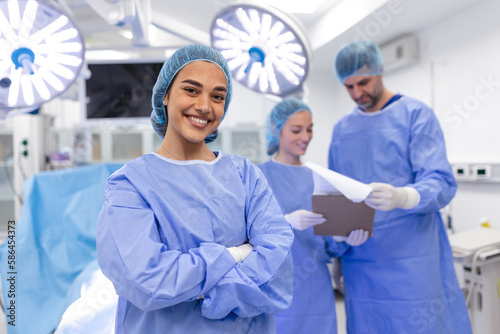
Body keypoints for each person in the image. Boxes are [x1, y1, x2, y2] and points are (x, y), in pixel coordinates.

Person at [96, 44, 294, 334]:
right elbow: (146, 281)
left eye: (217, 96)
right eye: (191, 90)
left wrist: (202, 290)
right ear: (164, 95)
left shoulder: (246, 175)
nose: (204, 106)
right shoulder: (130, 185)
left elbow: (277, 274)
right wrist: (234, 256)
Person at [328, 40, 472, 333]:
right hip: (362, 264)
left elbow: (441, 182)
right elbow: (337, 194)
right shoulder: (342, 129)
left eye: (364, 82)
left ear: (380, 70)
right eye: (349, 87)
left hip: (413, 260)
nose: (358, 93)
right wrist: (338, 253)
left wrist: (404, 196)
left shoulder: (415, 116)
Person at [258, 98, 368, 334]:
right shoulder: (258, 176)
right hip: (276, 286)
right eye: (296, 130)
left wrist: (340, 240)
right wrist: (285, 222)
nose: (306, 137)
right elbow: (245, 235)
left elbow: (327, 242)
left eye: (310, 129)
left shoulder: (319, 178)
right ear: (276, 131)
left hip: (316, 286)